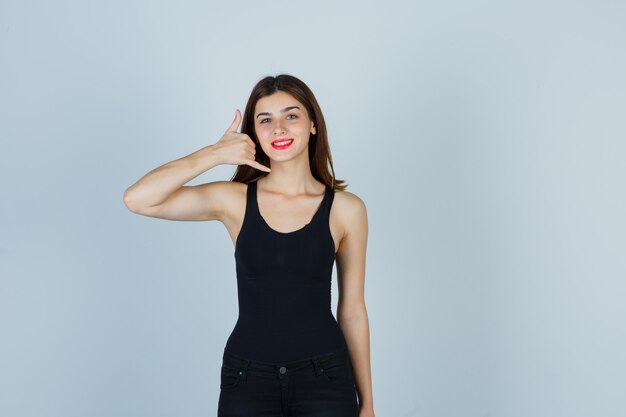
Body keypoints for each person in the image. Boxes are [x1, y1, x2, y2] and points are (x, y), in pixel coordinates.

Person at [123, 74, 374, 417]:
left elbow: (353, 311)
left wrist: (368, 403)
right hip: (248, 379)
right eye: (265, 120)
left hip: (326, 380)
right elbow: (138, 199)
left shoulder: (347, 209)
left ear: (313, 124)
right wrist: (214, 154)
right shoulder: (235, 201)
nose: (279, 129)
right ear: (253, 133)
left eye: (291, 115)